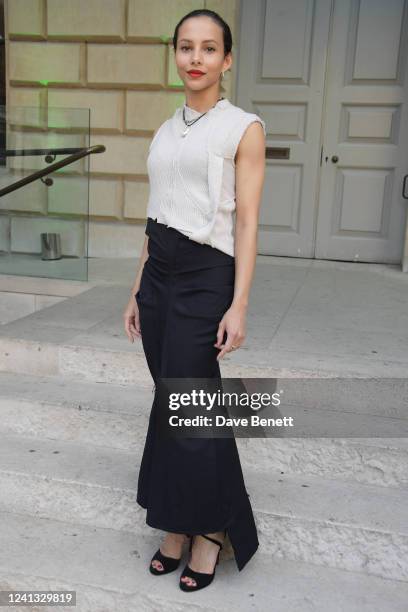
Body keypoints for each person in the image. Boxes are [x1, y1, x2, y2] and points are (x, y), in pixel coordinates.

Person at [123, 8, 266, 593]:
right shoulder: (164, 128)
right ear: (176, 55)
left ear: (226, 60)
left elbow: (250, 222)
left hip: (208, 274)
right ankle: (177, 524)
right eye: (186, 47)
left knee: (192, 402)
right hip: (158, 274)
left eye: (209, 48)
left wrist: (240, 304)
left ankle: (211, 529)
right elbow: (154, 214)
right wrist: (136, 288)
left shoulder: (243, 127)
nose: (195, 58)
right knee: (172, 401)